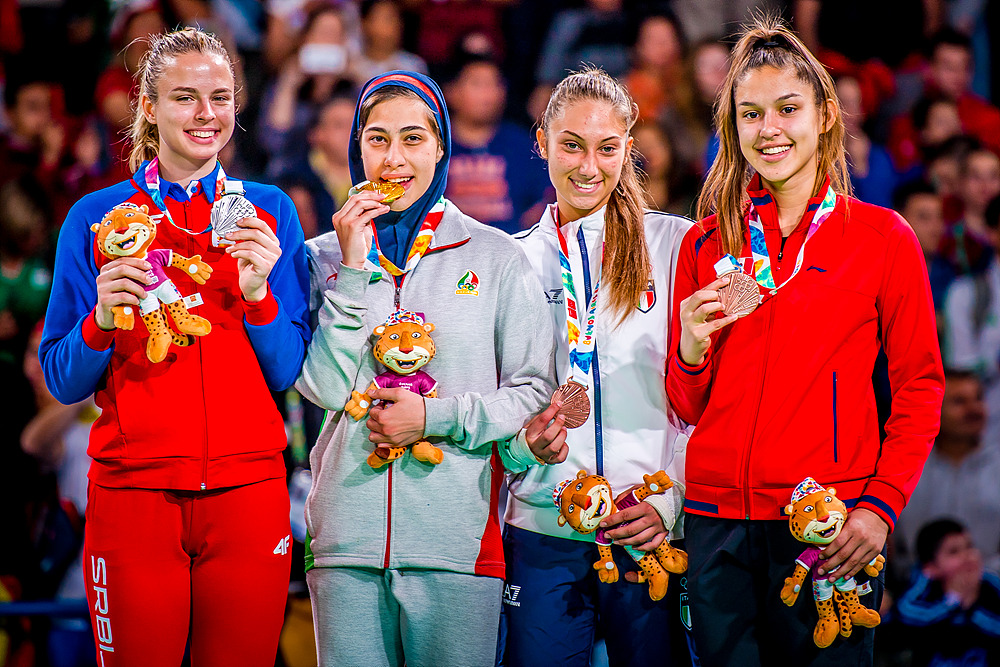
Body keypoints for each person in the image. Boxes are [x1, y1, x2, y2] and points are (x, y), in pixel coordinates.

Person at [666, 17, 944, 666]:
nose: (769, 129)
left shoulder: (882, 238)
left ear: (823, 115)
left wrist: (878, 508)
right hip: (716, 525)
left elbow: (921, 387)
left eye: (787, 108)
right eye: (751, 113)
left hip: (826, 519)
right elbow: (685, 404)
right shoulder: (703, 242)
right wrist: (689, 348)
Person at [38, 27, 311, 667]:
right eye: (185, 97)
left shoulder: (271, 213)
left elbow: (285, 369)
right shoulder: (96, 217)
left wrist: (258, 295)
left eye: (219, 97)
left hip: (248, 495)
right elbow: (63, 379)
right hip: (135, 498)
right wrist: (102, 319)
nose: (205, 114)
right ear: (149, 109)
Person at [294, 70, 554, 667]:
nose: (394, 159)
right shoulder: (320, 258)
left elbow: (533, 387)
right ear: (356, 146)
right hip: (345, 547)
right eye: (377, 138)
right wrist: (355, 271)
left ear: (441, 146)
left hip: (457, 544)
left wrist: (434, 418)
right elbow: (327, 387)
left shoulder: (495, 256)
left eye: (413, 138)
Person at [498, 67, 694, 667]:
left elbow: (709, 394)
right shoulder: (511, 260)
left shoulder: (676, 246)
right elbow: (498, 408)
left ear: (628, 148)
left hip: (650, 527)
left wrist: (673, 499)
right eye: (571, 145)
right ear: (542, 142)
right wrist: (521, 450)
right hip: (543, 530)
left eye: (607, 148)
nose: (588, 166)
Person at [892, 370, 1000, 577]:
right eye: (959, 401)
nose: (974, 409)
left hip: (992, 596)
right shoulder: (908, 467)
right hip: (913, 594)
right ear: (934, 409)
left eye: (978, 399)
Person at [895, 518, 1000, 667]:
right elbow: (904, 615)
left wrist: (971, 607)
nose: (968, 556)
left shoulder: (990, 583)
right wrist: (953, 600)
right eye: (954, 552)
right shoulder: (923, 586)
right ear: (931, 567)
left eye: (969, 546)